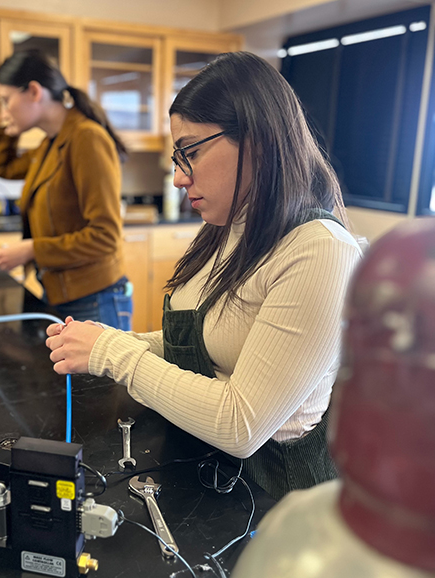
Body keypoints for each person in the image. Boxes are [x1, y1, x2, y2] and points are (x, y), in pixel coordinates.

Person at [45, 51, 363, 500]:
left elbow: (241, 425)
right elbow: (208, 342)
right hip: (211, 474)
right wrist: (114, 340)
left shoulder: (320, 252)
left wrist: (115, 354)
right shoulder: (230, 227)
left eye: (189, 152)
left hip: (272, 502)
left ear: (257, 139)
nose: (177, 177)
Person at [0, 49, 132, 329]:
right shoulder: (51, 143)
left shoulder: (86, 139)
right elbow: (5, 168)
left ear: (33, 91)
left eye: (6, 101)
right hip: (64, 295)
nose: (4, 112)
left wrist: (32, 249)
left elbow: (105, 237)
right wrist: (7, 131)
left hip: (94, 299)